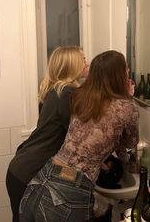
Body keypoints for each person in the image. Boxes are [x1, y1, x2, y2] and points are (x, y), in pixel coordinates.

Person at [19, 50, 139, 222]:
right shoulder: (126, 108)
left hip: (41, 180)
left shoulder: (81, 97)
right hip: (68, 192)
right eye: (126, 69)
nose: (128, 72)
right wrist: (129, 99)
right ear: (119, 75)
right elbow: (129, 145)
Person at [6, 45, 89, 222]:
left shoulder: (56, 89)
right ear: (72, 64)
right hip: (29, 170)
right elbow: (77, 137)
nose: (86, 62)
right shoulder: (67, 92)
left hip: (20, 167)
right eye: (82, 59)